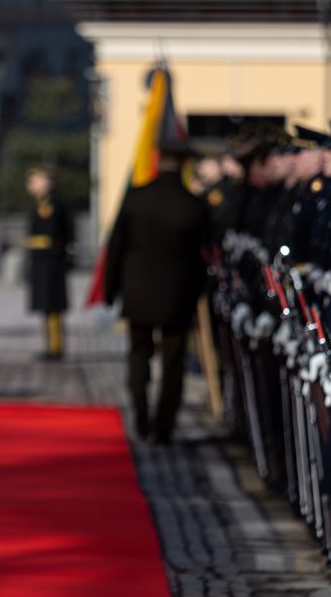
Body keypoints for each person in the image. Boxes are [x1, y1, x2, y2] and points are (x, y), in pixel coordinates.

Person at [105, 141, 209, 443]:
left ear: (157, 160)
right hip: (177, 294)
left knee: (138, 352)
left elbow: (116, 247)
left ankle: (139, 404)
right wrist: (199, 291)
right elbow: (203, 254)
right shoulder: (192, 204)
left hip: (138, 291)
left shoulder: (136, 198)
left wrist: (111, 288)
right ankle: (163, 425)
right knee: (173, 362)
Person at [24, 167, 74, 361]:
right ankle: (50, 346)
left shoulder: (53, 204)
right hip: (42, 262)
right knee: (46, 307)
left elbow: (58, 234)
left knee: (52, 306)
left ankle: (55, 348)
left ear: (46, 182)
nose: (31, 185)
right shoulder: (41, 203)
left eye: (35, 181)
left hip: (51, 262)